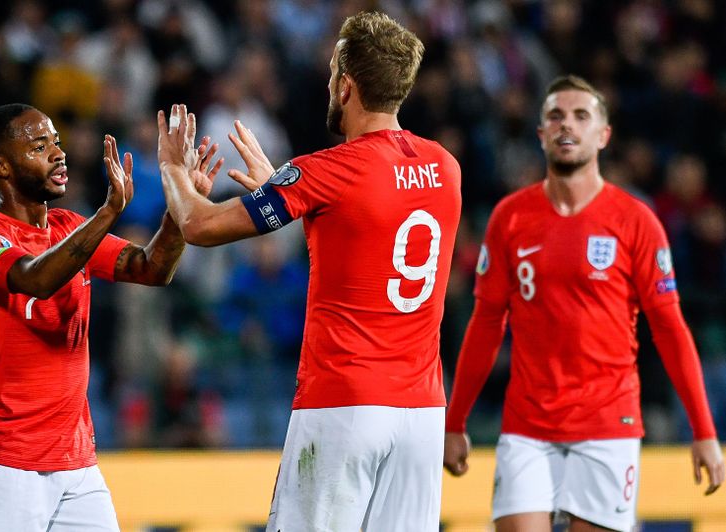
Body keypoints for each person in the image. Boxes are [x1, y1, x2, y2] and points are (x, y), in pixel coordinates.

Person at [156, 12, 462, 531]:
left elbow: (199, 225)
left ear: (346, 85)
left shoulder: (329, 171)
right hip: (422, 415)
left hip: (343, 405)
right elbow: (365, 237)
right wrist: (286, 191)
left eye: (330, 70)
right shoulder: (445, 168)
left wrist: (171, 166)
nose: (325, 80)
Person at [443, 75, 725, 532]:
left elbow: (671, 329)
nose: (566, 125)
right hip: (528, 425)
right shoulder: (510, 217)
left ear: (603, 135)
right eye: (555, 116)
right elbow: (486, 323)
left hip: (607, 423)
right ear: (540, 134)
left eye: (580, 116)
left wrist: (704, 431)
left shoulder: (636, 221)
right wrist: (456, 421)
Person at [0, 103, 221, 531]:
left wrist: (180, 207)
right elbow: (35, 279)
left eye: (56, 142)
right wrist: (108, 212)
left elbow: (151, 269)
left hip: (74, 460)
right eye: (39, 147)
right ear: (1, 165)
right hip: (2, 456)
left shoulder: (69, 226)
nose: (58, 153)